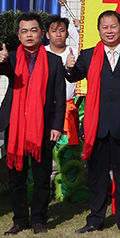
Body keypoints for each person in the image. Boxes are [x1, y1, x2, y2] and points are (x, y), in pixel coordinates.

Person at [63, 10, 120, 234]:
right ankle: (95, 219)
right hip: (97, 127)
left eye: (113, 26)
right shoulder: (88, 55)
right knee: (97, 177)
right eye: (105, 27)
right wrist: (70, 66)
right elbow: (74, 75)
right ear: (99, 30)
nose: (109, 31)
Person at [0, 13, 65, 234]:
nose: (29, 35)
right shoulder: (12, 58)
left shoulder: (54, 61)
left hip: (43, 126)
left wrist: (56, 126)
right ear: (18, 35)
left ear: (42, 34)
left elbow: (59, 97)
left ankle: (40, 219)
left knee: (42, 177)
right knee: (16, 177)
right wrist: (2, 60)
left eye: (33, 30)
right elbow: (1, 70)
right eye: (24, 31)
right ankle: (20, 219)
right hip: (15, 125)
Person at [45, 15, 80, 143]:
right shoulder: (41, 53)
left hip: (70, 107)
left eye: (62, 30)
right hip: (46, 108)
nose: (58, 34)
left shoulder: (76, 53)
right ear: (47, 35)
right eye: (54, 31)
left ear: (67, 33)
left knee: (68, 151)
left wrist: (80, 27)